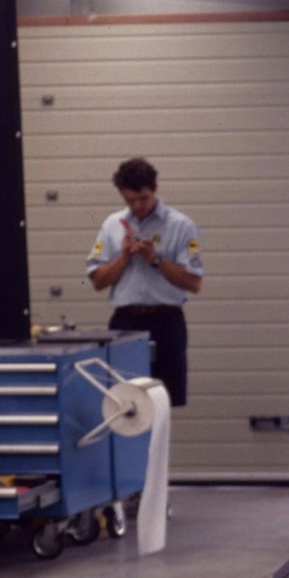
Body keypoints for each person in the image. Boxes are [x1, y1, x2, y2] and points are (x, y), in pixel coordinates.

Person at [86, 157, 203, 406]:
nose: (137, 206)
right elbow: (97, 281)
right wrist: (125, 256)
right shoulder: (112, 225)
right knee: (124, 402)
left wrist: (155, 260)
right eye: (130, 200)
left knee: (163, 404)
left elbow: (194, 283)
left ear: (155, 189)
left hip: (166, 322)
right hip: (125, 322)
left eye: (143, 198)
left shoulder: (181, 225)